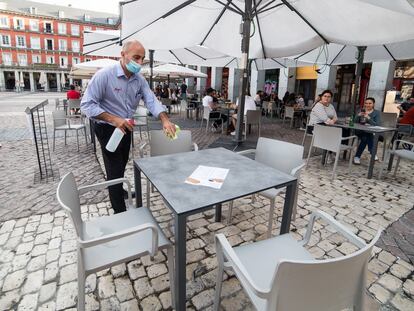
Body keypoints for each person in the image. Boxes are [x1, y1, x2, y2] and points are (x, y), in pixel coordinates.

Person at [81, 39, 176, 214]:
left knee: (123, 162)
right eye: (136, 58)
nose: (139, 63)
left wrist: (164, 119)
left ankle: (119, 189)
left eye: (142, 59)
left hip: (126, 127)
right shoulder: (104, 75)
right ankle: (120, 211)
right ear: (123, 55)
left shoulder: (139, 79)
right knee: (114, 167)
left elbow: (150, 99)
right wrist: (113, 119)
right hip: (107, 127)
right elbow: (86, 106)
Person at [353, 97, 381, 164]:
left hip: (368, 132)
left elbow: (377, 124)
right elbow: (354, 122)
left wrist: (368, 117)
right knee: (368, 135)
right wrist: (358, 116)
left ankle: (357, 157)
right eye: (366, 103)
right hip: (359, 131)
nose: (367, 105)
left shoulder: (376, 112)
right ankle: (372, 153)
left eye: (370, 103)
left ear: (373, 104)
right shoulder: (361, 110)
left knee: (365, 137)